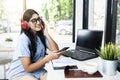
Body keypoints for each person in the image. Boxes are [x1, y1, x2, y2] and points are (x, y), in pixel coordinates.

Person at [8, 9, 63, 80]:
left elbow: (55, 50)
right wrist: (47, 58)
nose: (38, 22)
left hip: (37, 72)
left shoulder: (40, 37)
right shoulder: (23, 39)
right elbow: (28, 68)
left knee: (56, 77)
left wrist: (46, 33)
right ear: (25, 24)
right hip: (20, 73)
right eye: (34, 21)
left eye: (39, 19)